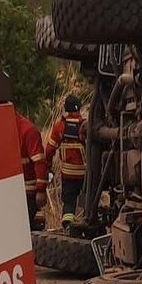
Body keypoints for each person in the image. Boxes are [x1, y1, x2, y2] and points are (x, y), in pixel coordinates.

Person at [45, 95, 87, 228]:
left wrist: (48, 166)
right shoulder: (85, 126)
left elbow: (50, 150)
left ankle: (68, 224)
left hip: (68, 174)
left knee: (69, 201)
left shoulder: (59, 127)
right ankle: (87, 221)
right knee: (88, 200)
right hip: (86, 174)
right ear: (79, 107)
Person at [15, 111, 47, 231]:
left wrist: (40, 190)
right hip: (13, 191)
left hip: (28, 192)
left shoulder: (28, 131)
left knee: (25, 230)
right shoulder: (6, 128)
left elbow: (40, 162)